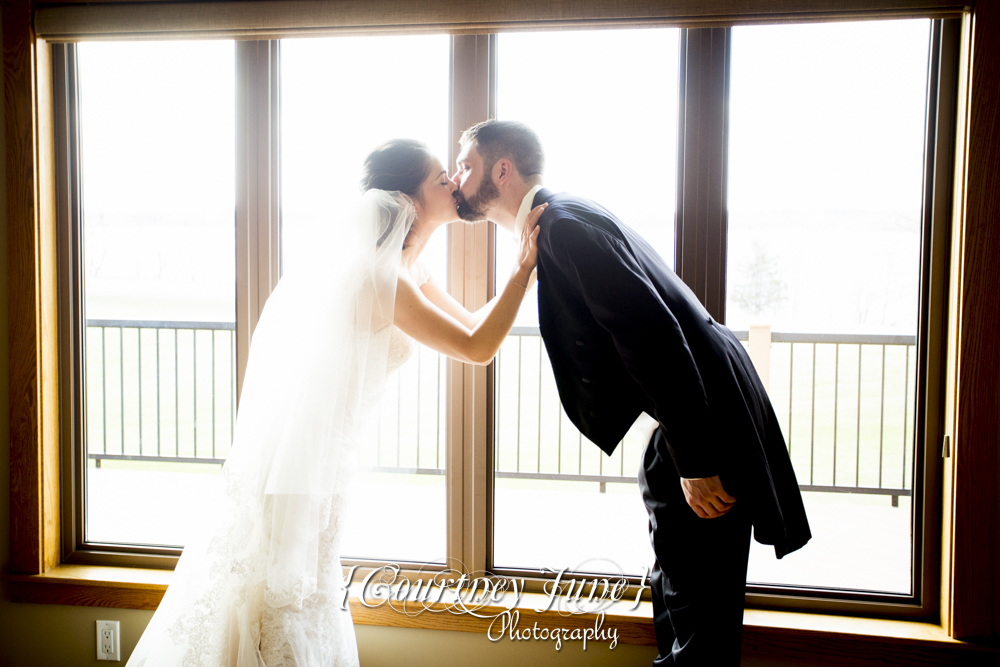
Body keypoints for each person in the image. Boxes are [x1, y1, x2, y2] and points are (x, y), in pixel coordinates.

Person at [125, 139, 544, 667]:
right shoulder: (379, 275)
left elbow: (474, 329)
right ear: (409, 200)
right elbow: (476, 349)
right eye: (442, 178)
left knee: (308, 590)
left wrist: (521, 270)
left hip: (329, 463)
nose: (454, 185)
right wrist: (523, 271)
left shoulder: (410, 271)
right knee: (288, 597)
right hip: (305, 468)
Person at [451, 119, 812, 665]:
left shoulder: (564, 226)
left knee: (700, 624)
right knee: (680, 597)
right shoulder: (559, 220)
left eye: (465, 164)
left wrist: (695, 460)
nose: (456, 178)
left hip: (704, 421)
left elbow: (654, 338)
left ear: (501, 170)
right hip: (687, 417)